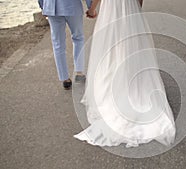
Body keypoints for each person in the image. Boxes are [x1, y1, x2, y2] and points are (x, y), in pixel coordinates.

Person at [74, 0, 176, 148]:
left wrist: (92, 9)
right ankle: (134, 83)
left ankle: (112, 88)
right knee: (131, 47)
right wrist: (136, 8)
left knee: (109, 49)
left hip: (110, 9)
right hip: (130, 7)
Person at [38, 0, 95, 90]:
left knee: (58, 43)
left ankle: (65, 79)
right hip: (72, 5)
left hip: (52, 7)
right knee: (78, 38)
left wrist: (43, 7)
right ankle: (79, 72)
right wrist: (91, 7)